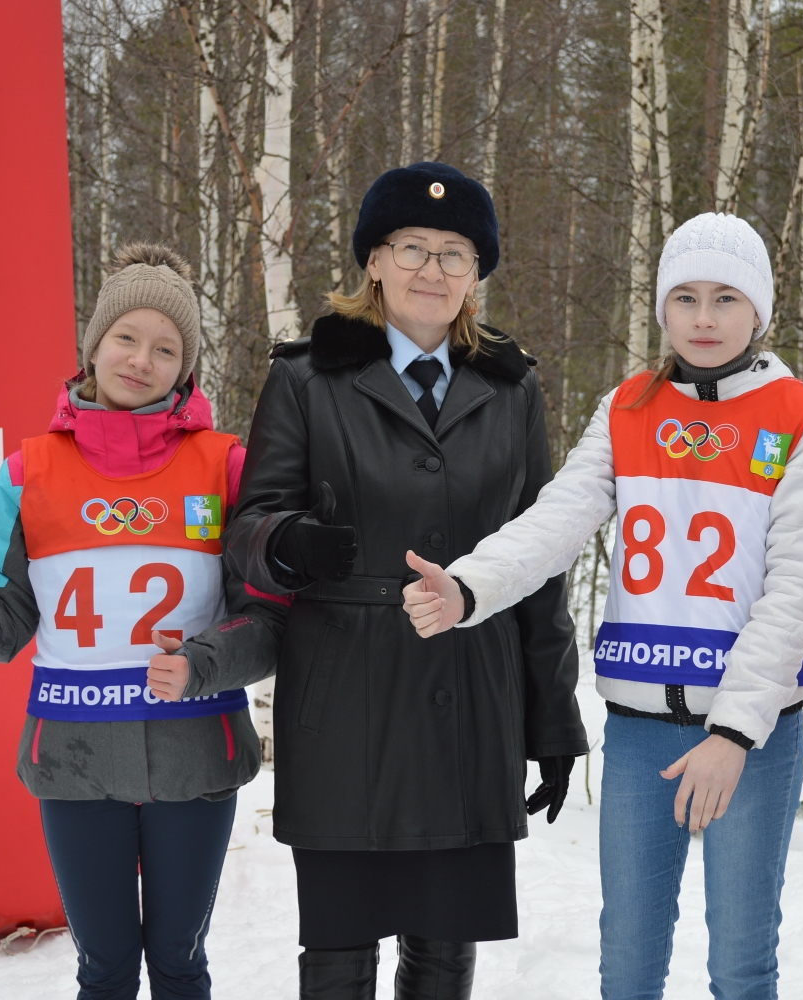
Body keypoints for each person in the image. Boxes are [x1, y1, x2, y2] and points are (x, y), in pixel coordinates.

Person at [403, 212, 803, 1000]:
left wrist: (734, 730)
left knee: (742, 968)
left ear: (760, 312)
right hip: (642, 733)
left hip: (750, 740)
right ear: (662, 308)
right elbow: (556, 519)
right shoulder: (627, 409)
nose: (704, 319)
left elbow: (798, 588)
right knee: (628, 964)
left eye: (725, 299)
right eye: (684, 298)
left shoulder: (800, 417)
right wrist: (469, 584)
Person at [203, 161, 588, 1000]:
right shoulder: (306, 379)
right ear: (373, 262)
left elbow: (540, 557)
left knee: (446, 943)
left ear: (476, 274)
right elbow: (249, 529)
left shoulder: (510, 387)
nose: (433, 269)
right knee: (339, 944)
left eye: (456, 253)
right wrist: (293, 541)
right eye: (412, 246)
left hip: (469, 695)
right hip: (348, 695)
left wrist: (552, 716)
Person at [0, 244, 283, 1000]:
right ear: (94, 344)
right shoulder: (27, 471)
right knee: (103, 970)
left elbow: (266, 622)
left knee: (178, 961)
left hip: (195, 756)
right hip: (74, 761)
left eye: (166, 348)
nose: (141, 360)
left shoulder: (227, 465)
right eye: (126, 338)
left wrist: (201, 662)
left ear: (186, 366)